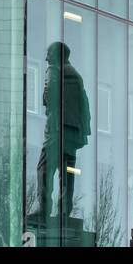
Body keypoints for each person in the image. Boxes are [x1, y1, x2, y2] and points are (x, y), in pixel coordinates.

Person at [37, 41, 91, 220]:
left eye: (49, 54)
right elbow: (84, 104)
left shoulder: (54, 69)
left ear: (56, 55)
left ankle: (44, 209)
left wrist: (47, 103)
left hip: (56, 128)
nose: (46, 58)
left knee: (44, 168)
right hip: (73, 132)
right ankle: (64, 211)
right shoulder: (77, 75)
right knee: (67, 173)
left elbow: (49, 92)